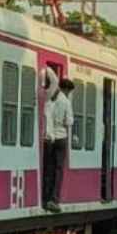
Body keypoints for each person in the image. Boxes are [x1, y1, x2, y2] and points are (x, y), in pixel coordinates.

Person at [42, 74, 76, 213]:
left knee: (49, 168)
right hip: (61, 138)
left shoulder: (50, 99)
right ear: (67, 89)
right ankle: (54, 200)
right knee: (59, 170)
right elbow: (69, 122)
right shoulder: (66, 102)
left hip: (49, 138)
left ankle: (45, 198)